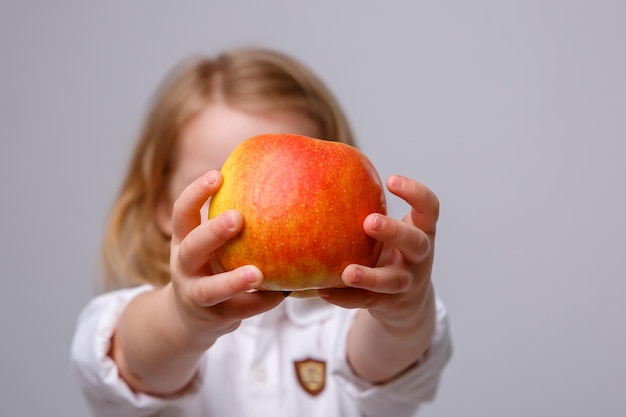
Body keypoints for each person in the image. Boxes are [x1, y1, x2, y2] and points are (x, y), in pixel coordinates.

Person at [71, 47, 452, 417]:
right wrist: (183, 318)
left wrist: (404, 313)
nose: (253, 210)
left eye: (300, 191)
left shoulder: (348, 324)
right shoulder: (148, 320)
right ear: (160, 205)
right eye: (218, 188)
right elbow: (139, 362)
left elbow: (386, 358)